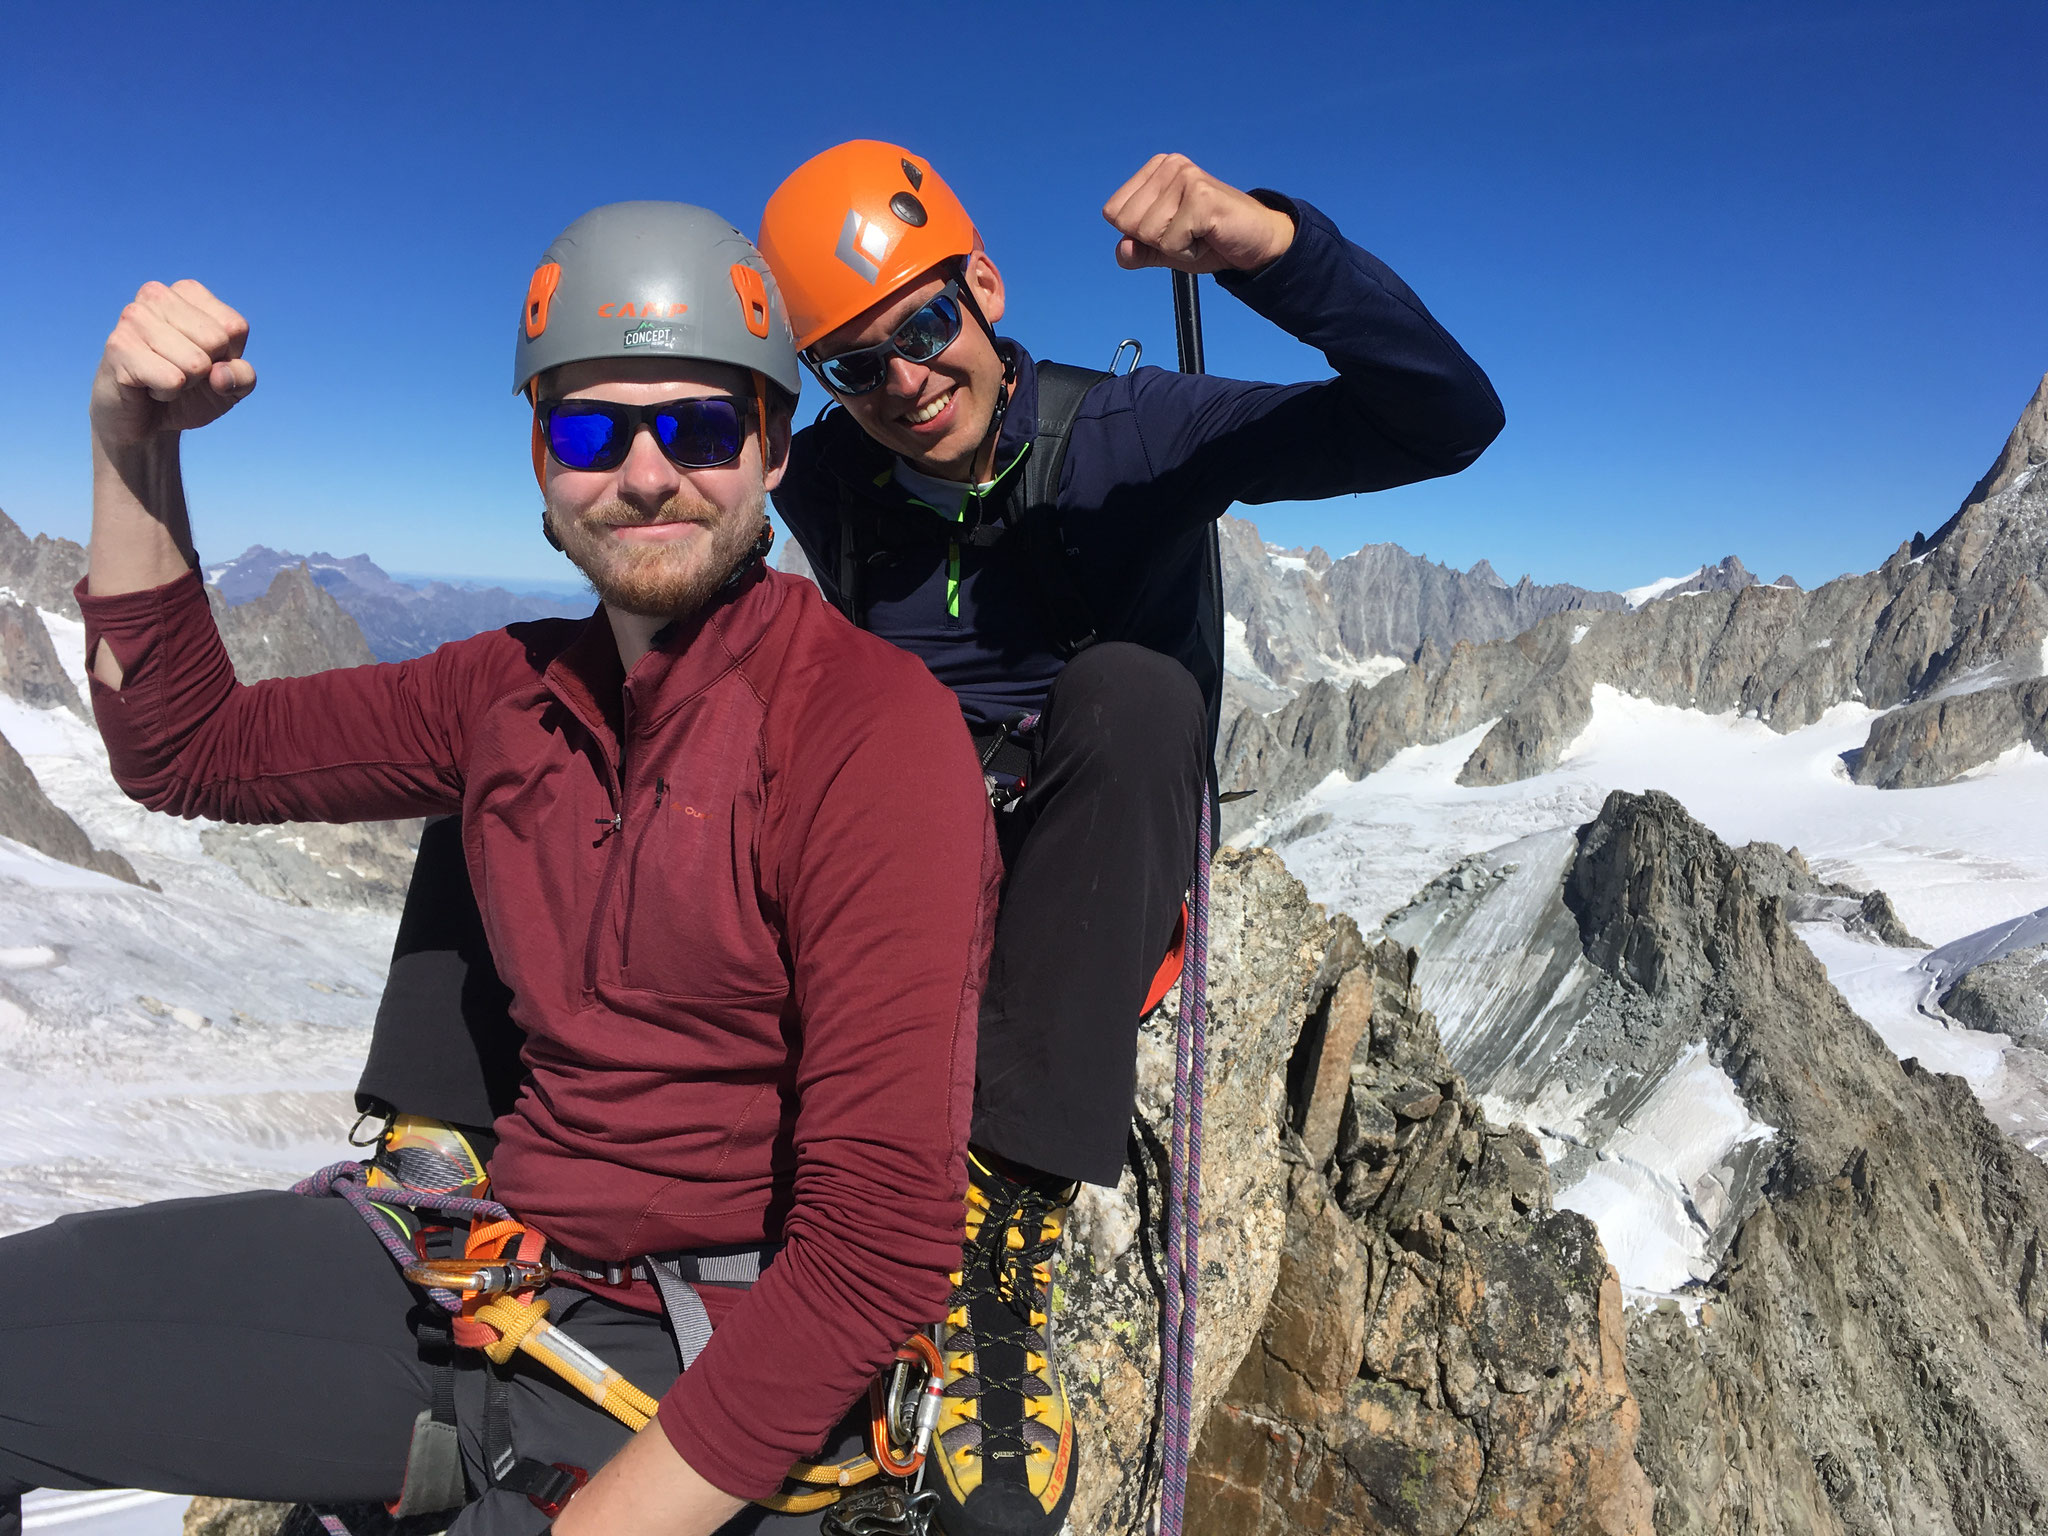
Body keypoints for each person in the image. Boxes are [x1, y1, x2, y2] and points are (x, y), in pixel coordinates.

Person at [0, 203, 998, 1536]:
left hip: (698, 1353)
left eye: (698, 427)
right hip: (477, 1281)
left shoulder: (868, 730)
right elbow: (190, 749)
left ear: (769, 444)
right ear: (540, 461)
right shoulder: (507, 695)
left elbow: (874, 1251)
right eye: (591, 430)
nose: (646, 474)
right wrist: (132, 446)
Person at [754, 143, 1506, 1536]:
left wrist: (1266, 245)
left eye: (923, 329)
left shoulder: (1129, 432)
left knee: (1136, 689)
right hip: (908, 840)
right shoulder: (831, 479)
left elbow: (1442, 419)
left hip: (1101, 830)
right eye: (855, 367)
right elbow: (664, 505)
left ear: (982, 290)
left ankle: (1002, 1236)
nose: (904, 383)